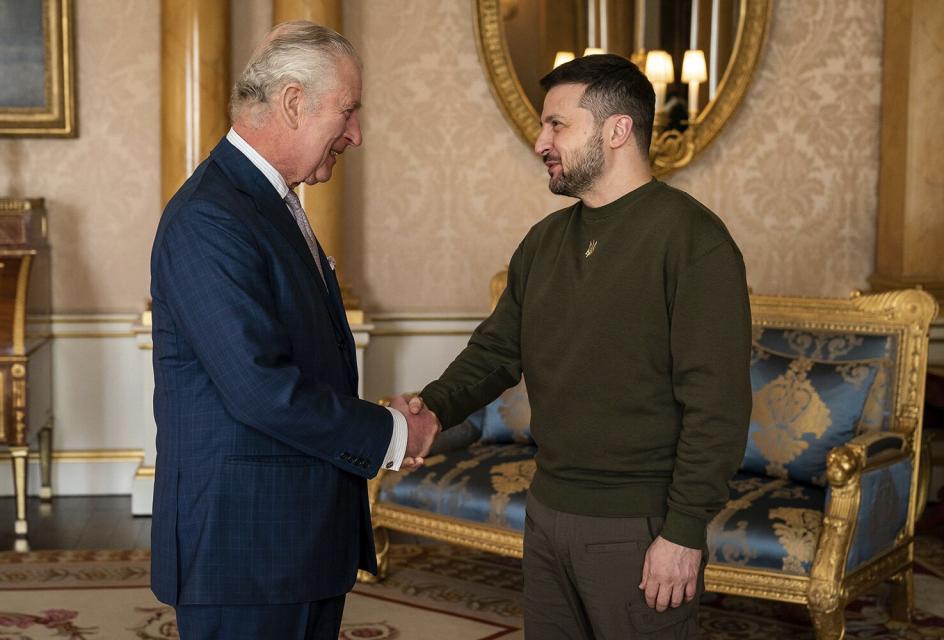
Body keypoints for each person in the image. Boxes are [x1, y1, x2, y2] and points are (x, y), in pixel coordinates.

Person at [407, 54, 752, 639]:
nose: (540, 140)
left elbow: (716, 405)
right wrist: (432, 408)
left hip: (639, 526)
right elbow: (495, 351)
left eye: (556, 125)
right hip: (546, 513)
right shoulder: (544, 242)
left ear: (617, 130)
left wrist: (683, 532)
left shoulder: (693, 239)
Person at [149, 21, 439, 639]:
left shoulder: (268, 202)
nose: (356, 134)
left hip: (294, 544)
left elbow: (305, 361)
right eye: (348, 111)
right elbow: (260, 388)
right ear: (292, 102)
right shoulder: (211, 216)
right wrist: (389, 431)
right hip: (243, 554)